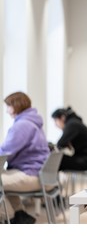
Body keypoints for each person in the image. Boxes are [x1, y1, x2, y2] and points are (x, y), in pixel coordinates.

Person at [0, 92, 50, 224]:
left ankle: (10, 218)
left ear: (16, 105)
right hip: (39, 174)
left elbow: (5, 151)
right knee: (4, 175)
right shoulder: (33, 122)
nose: (6, 111)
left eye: (8, 106)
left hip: (31, 175)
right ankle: (19, 214)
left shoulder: (22, 125)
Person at [51, 107, 87, 171]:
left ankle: (50, 181)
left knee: (56, 160)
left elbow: (60, 144)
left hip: (86, 161)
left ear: (62, 118)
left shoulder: (72, 124)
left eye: (56, 121)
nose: (56, 125)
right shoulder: (75, 122)